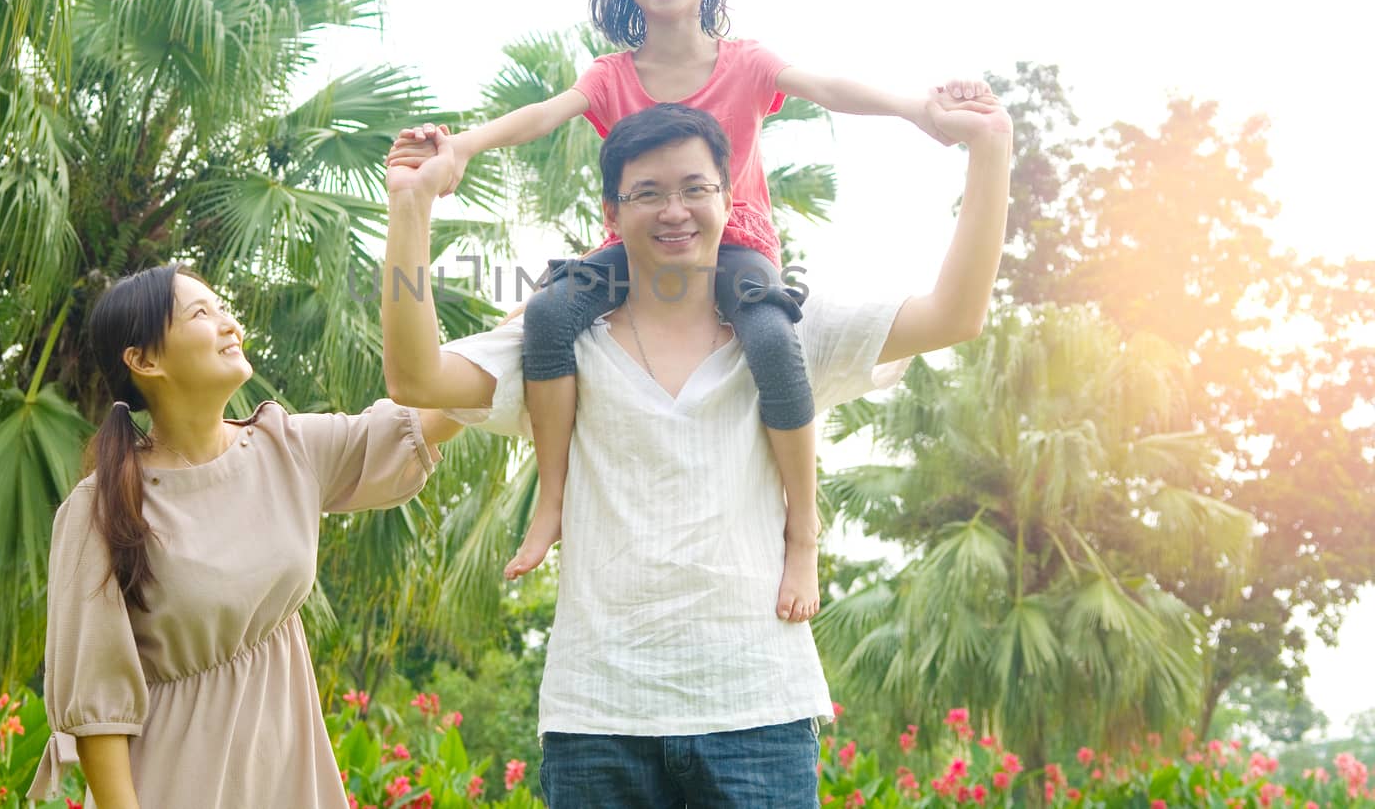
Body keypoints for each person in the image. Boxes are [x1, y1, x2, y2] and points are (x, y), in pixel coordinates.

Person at [381, 99, 1011, 806]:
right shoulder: (560, 343)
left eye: (694, 188)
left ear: (728, 197)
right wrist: (410, 207)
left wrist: (990, 149)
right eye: (647, 193)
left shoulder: (792, 329)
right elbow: (416, 377)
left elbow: (955, 315)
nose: (674, 210)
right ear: (611, 215)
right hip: (598, 716)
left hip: (758, 713)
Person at [388, 0, 980, 622]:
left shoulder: (748, 62)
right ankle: (553, 498)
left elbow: (827, 87)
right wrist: (462, 149)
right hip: (632, 252)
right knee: (545, 315)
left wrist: (918, 110)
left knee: (769, 337)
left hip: (736, 249)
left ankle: (803, 530)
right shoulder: (611, 75)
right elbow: (541, 116)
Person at [26, 264, 460, 808]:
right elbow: (97, 710)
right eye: (201, 313)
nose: (228, 323)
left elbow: (433, 411)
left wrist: (544, 312)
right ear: (144, 360)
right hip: (171, 786)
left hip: (289, 779)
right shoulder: (100, 508)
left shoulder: (286, 447)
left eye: (222, 306)